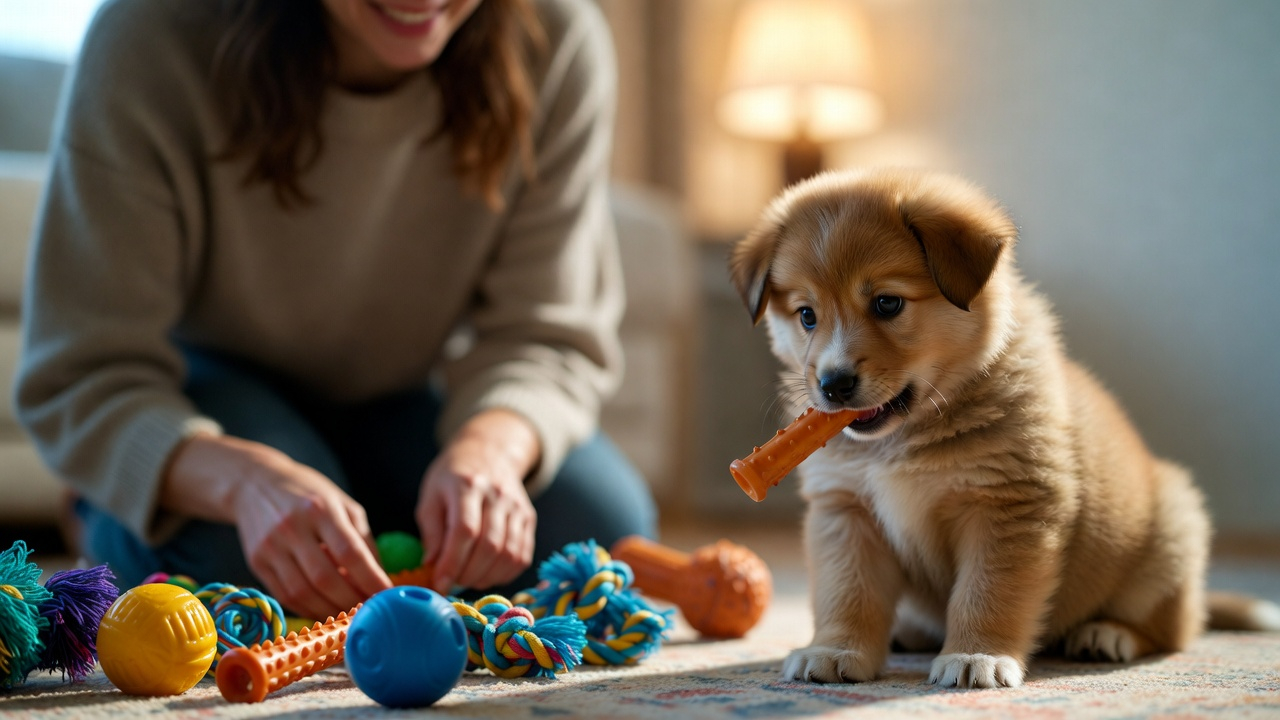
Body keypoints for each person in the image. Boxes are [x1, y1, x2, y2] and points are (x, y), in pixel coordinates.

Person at [15, 0, 657, 622]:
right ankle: (103, 512)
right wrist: (246, 482)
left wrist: (488, 453)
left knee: (594, 534)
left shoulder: (558, 36)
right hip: (215, 401)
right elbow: (84, 372)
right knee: (251, 574)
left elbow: (544, 333)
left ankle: (357, 518)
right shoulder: (148, 33)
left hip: (406, 395)